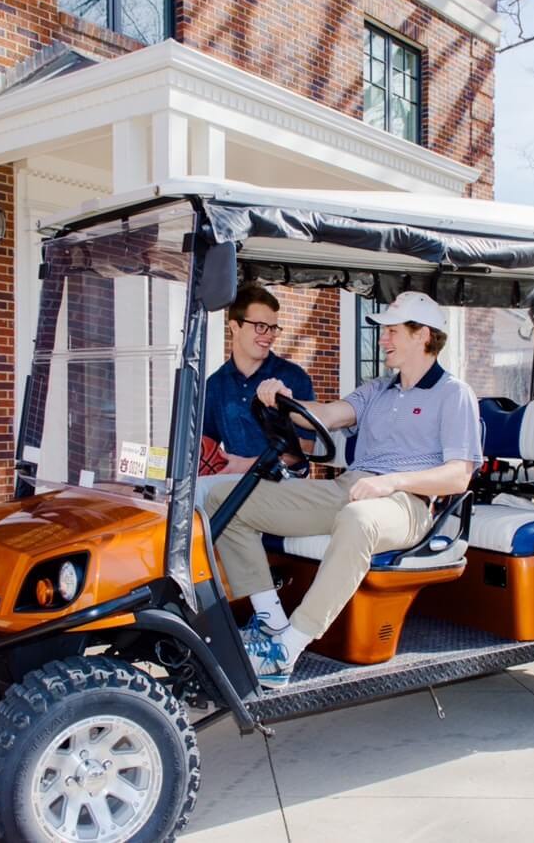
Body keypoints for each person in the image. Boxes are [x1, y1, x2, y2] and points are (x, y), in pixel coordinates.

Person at [205, 291, 482, 688]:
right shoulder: (377, 390)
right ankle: (270, 623)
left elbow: (459, 475)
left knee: (358, 518)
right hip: (352, 488)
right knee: (225, 498)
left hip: (410, 502)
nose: (383, 339)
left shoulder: (454, 393)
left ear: (423, 335)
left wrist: (391, 481)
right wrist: (286, 399)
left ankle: (289, 647)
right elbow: (329, 415)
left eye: (392, 332)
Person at [196, 284, 314, 505]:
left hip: (287, 485)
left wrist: (248, 464)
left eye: (273, 328)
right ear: (235, 326)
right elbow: (205, 445)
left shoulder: (294, 378)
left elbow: (305, 449)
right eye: (261, 327)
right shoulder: (215, 385)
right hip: (236, 482)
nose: (269, 335)